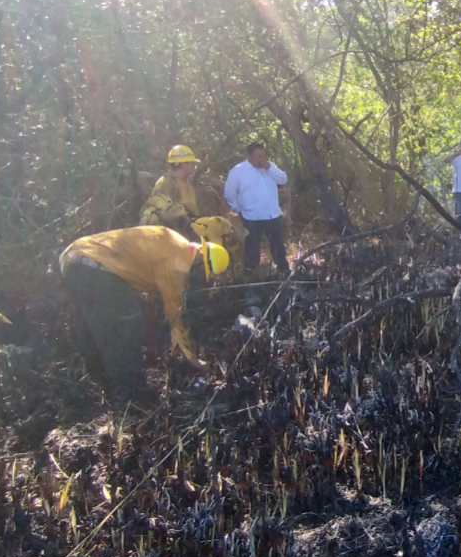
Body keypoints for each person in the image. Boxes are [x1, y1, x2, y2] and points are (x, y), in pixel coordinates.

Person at [59, 226, 229, 402]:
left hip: (73, 259)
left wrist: (151, 339)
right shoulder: (178, 264)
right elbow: (175, 316)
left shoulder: (175, 242)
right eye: (203, 274)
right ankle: (132, 391)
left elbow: (148, 289)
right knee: (126, 323)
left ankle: (101, 381)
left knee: (96, 323)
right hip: (94, 268)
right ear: (201, 261)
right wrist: (191, 358)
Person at [224, 143, 291, 277]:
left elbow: (283, 179)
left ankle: (283, 271)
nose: (261, 159)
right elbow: (229, 192)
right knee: (252, 249)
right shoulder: (238, 171)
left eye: (263, 156)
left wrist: (269, 167)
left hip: (273, 214)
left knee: (278, 246)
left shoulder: (269, 167)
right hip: (252, 217)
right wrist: (238, 208)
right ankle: (251, 276)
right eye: (258, 156)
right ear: (249, 156)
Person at [140, 145, 202, 235]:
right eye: (192, 163)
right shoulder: (165, 183)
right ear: (183, 164)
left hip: (191, 228)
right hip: (173, 234)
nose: (195, 166)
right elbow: (159, 214)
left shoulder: (187, 182)